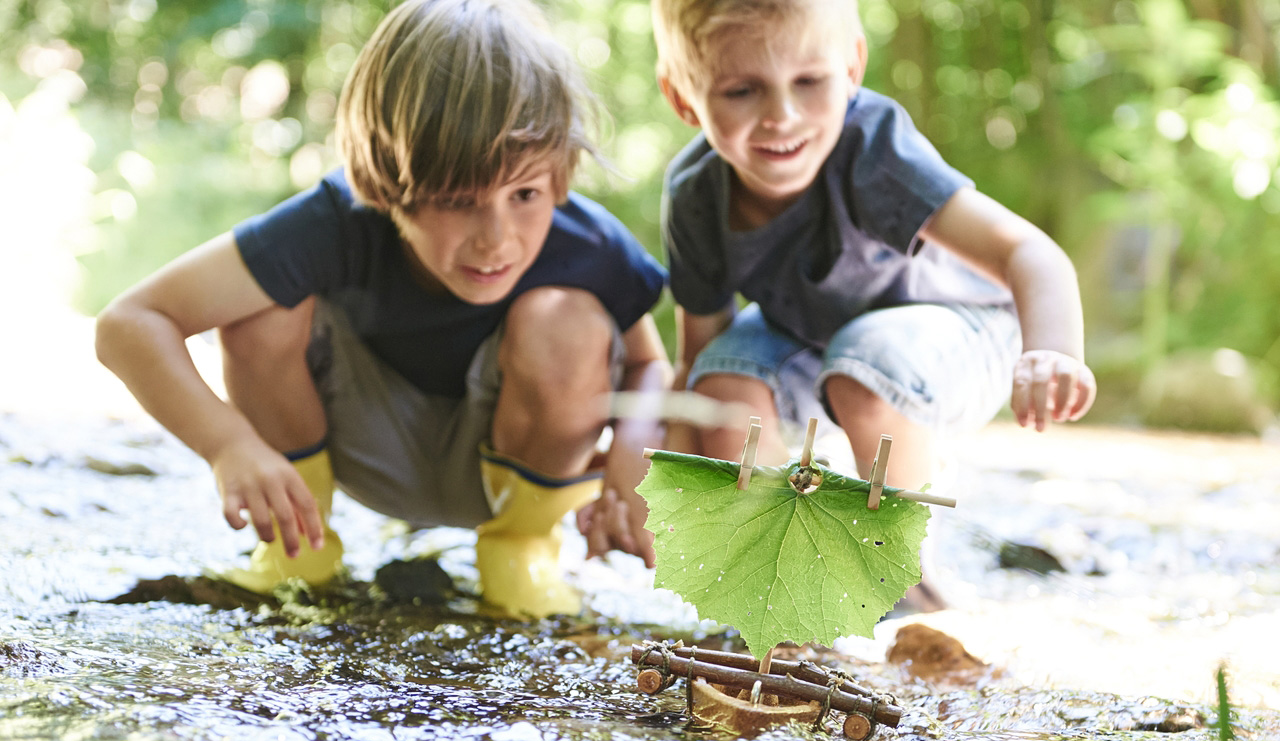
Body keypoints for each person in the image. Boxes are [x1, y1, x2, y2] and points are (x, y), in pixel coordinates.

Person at [95, 0, 670, 618]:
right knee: (261, 306)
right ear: (387, 181)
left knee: (568, 322)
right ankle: (298, 551)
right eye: (457, 199)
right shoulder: (334, 221)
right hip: (361, 454)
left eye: (525, 193)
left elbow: (649, 367)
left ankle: (521, 554)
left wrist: (635, 458)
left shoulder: (586, 242)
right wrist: (229, 445)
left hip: (513, 474)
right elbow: (128, 324)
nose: (498, 236)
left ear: (560, 175)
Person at [650, 0, 1096, 610]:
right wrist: (665, 481)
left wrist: (1053, 352)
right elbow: (698, 356)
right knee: (722, 391)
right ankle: (790, 582)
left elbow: (1030, 252)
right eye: (741, 90)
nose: (782, 116)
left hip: (967, 332)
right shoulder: (696, 194)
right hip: (816, 340)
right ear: (682, 99)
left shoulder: (871, 147)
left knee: (866, 368)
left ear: (853, 64)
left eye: (808, 81)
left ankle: (906, 584)